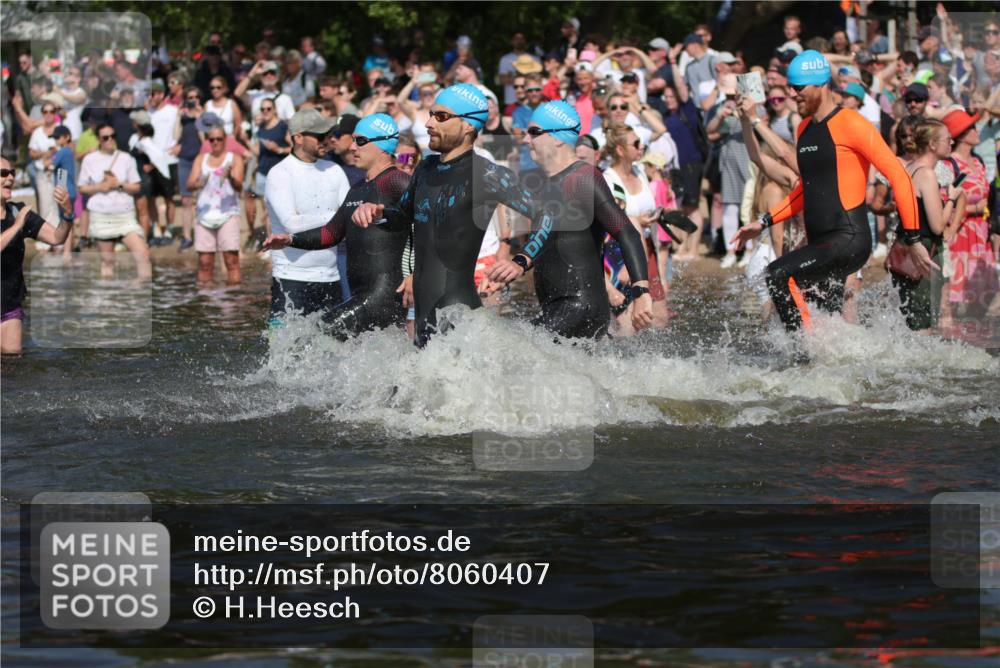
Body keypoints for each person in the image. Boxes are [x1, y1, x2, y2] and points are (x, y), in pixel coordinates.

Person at [731, 50, 925, 334]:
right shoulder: (806, 128)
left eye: (798, 88)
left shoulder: (852, 123)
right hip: (820, 245)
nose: (793, 95)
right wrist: (763, 222)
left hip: (849, 238)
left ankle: (803, 353)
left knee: (777, 273)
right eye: (790, 88)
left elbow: (899, 176)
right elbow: (804, 191)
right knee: (828, 320)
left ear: (821, 85)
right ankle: (828, 364)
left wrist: (914, 237)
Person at [351, 84, 557, 347]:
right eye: (430, 114)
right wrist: (379, 213)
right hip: (425, 313)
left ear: (468, 126)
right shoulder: (426, 168)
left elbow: (547, 215)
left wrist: (522, 260)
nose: (428, 123)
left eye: (441, 116)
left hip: (457, 315)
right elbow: (403, 217)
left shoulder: (488, 175)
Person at [265, 113, 410, 337]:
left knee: (317, 337)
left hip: (384, 295)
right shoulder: (359, 187)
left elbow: (428, 226)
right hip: (360, 294)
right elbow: (331, 233)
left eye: (360, 141)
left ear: (383, 145)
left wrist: (414, 275)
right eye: (352, 140)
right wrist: (290, 240)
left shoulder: (397, 181)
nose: (352, 147)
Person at [520, 101, 652, 339]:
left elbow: (627, 232)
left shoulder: (583, 178)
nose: (525, 140)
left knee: (511, 355)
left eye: (534, 132)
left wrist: (641, 291)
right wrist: (514, 266)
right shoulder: (547, 183)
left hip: (579, 307)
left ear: (558, 138)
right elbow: (549, 244)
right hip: (559, 307)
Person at [264, 109, 350, 328]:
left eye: (329, 134)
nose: (328, 140)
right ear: (298, 138)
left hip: (331, 278)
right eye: (320, 136)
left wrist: (342, 217)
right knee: (283, 356)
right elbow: (292, 224)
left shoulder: (335, 170)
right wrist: (337, 216)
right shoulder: (280, 173)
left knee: (333, 353)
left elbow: (348, 218)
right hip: (291, 279)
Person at [888, 119, 964, 331]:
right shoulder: (927, 174)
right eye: (947, 139)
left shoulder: (910, 168)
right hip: (923, 251)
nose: (952, 142)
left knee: (910, 319)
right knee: (923, 323)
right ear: (932, 144)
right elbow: (938, 226)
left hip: (905, 248)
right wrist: (951, 199)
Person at [1, 157, 74, 354]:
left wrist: (67, 214)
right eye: (3, 173)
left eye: (12, 173)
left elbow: (57, 237)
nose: (9, 178)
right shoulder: (19, 219)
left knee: (12, 364)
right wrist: (17, 226)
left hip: (8, 305)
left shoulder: (18, 211)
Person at [602, 123, 667, 332]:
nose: (642, 147)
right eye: (636, 143)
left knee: (659, 315)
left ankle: (655, 361)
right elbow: (609, 219)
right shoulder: (607, 180)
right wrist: (636, 219)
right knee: (627, 322)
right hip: (621, 252)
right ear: (620, 150)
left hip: (647, 246)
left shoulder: (640, 171)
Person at [940, 108, 996, 324]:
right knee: (954, 293)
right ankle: (949, 335)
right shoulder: (949, 165)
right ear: (961, 135)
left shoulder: (978, 161)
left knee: (987, 289)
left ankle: (970, 330)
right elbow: (945, 201)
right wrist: (975, 209)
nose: (977, 130)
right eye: (972, 127)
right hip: (960, 232)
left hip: (980, 233)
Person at [76, 123, 151, 279]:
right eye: (105, 137)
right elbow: (82, 188)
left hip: (125, 216)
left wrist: (119, 184)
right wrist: (100, 186)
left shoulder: (126, 158)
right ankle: (108, 298)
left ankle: (141, 289)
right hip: (102, 215)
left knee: (143, 254)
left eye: (112, 136)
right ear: (99, 140)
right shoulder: (90, 160)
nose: (110, 140)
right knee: (107, 261)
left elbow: (137, 187)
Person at [187, 125, 244, 285]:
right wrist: (200, 182)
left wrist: (230, 177)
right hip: (204, 215)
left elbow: (239, 187)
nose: (216, 142)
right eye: (212, 139)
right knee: (205, 263)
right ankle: (207, 301)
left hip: (228, 213)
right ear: (208, 141)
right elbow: (189, 184)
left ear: (225, 139)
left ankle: (233, 300)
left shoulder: (234, 158)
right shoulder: (201, 159)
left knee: (231, 261)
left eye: (219, 139)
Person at [246, 97, 290, 249]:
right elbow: (258, 151)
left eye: (268, 109)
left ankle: (278, 241)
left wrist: (278, 149)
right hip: (263, 172)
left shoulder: (283, 126)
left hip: (279, 174)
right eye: (262, 109)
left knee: (275, 210)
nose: (265, 112)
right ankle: (271, 243)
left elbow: (294, 148)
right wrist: (244, 140)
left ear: (275, 109)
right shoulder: (261, 128)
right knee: (265, 211)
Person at [173, 87, 205, 251]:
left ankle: (201, 234)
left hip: (199, 160)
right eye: (189, 97)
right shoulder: (183, 118)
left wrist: (199, 118)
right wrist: (178, 116)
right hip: (184, 160)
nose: (193, 100)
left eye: (195, 97)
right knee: (186, 200)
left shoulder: (205, 116)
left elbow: (205, 140)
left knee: (200, 200)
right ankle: (186, 237)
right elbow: (175, 136)